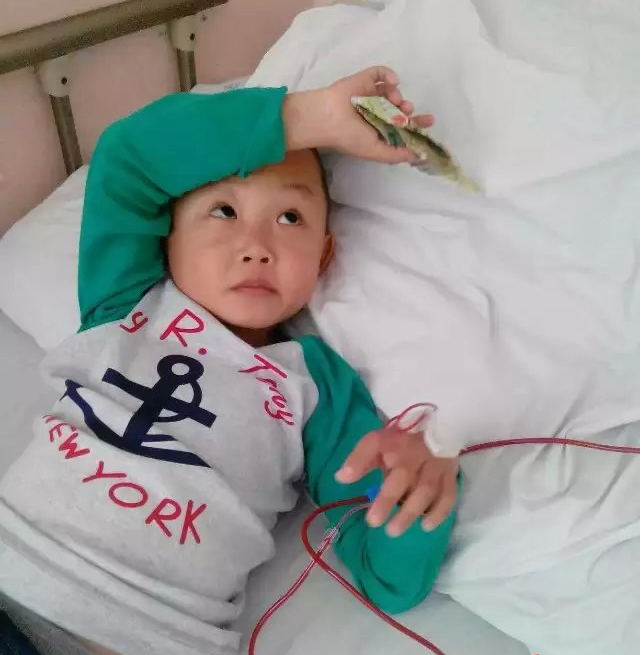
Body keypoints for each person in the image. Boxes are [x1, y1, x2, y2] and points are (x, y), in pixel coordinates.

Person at [0, 67, 459, 655]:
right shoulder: (127, 299)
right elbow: (128, 157)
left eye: (290, 218)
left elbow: (387, 578)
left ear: (323, 257)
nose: (257, 246)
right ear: (167, 234)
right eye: (223, 210)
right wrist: (311, 117)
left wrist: (416, 498)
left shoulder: (314, 387)